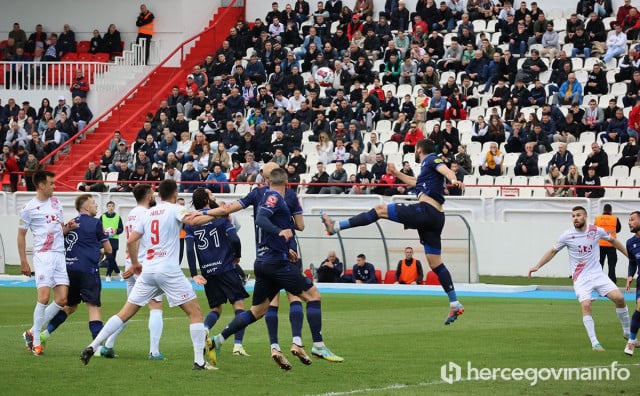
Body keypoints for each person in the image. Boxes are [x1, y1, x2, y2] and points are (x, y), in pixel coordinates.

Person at [200, 167, 343, 370]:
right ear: (286, 183)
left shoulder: (262, 195)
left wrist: (202, 213)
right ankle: (317, 345)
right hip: (277, 263)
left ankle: (218, 340)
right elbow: (263, 219)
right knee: (313, 296)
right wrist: (281, 232)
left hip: (264, 262)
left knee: (257, 310)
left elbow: (233, 211)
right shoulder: (275, 197)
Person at [321, 139, 465, 324]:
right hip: (436, 217)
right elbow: (416, 182)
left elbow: (445, 169)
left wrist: (453, 178)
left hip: (426, 211)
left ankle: (336, 226)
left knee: (380, 210)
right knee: (435, 262)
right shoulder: (426, 173)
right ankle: (454, 302)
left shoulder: (430, 159)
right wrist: (396, 173)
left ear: (418, 149)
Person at [80, 180, 217, 370]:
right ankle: (199, 362)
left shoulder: (148, 213)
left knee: (125, 313)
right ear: (175, 193)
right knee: (195, 312)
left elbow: (130, 240)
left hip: (148, 270)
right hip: (168, 270)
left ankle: (93, 345)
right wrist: (218, 213)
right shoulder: (175, 209)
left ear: (158, 194)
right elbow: (193, 221)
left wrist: (135, 263)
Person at [528, 206, 630, 351]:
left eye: (578, 215)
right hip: (581, 278)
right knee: (586, 305)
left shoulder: (596, 230)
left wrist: (630, 257)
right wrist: (537, 266)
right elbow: (552, 251)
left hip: (598, 275)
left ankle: (627, 332)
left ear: (585, 216)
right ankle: (595, 343)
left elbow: (614, 242)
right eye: (573, 216)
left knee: (619, 299)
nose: (575, 218)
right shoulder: (567, 235)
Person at [99, 184, 165, 360]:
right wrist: (136, 263)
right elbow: (135, 240)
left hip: (132, 265)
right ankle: (154, 351)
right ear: (148, 196)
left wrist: (130, 263)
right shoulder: (147, 214)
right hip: (142, 266)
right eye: (152, 193)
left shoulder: (132, 214)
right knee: (155, 305)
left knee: (129, 309)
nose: (154, 195)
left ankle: (108, 345)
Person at [19, 170, 78, 355]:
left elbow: (59, 229)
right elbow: (21, 235)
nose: (54, 186)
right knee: (44, 297)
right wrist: (23, 261)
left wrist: (67, 227)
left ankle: (31, 331)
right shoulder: (28, 208)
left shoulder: (56, 203)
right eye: (51, 183)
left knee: (62, 299)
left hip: (59, 255)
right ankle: (36, 342)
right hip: (43, 255)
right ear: (41, 185)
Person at [186, 188, 250, 357]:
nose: (214, 196)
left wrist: (194, 272)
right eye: (211, 194)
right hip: (226, 268)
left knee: (216, 309)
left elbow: (190, 250)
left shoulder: (191, 221)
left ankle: (205, 330)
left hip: (208, 271)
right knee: (239, 305)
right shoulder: (221, 217)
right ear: (207, 199)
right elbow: (235, 238)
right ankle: (237, 345)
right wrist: (237, 256)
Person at [39, 195, 112, 343]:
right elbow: (109, 249)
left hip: (69, 269)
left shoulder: (70, 224)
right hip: (88, 270)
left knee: (70, 306)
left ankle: (44, 334)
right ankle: (97, 347)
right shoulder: (96, 223)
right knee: (94, 307)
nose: (96, 205)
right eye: (93, 203)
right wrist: (100, 252)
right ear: (85, 207)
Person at [624, 211, 640, 355]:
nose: (629, 222)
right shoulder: (630, 243)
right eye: (629, 220)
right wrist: (630, 275)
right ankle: (631, 342)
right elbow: (632, 262)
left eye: (632, 220)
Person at [595, 204, 622, 285]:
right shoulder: (615, 218)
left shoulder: (597, 218)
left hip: (600, 245)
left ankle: (598, 283)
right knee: (612, 266)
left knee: (599, 266)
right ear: (611, 211)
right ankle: (612, 284)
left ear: (603, 210)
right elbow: (618, 229)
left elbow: (594, 230)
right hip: (611, 245)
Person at [101, 201, 124, 282]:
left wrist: (116, 231)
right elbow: (99, 228)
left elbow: (121, 229)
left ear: (114, 207)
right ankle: (118, 272)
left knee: (112, 258)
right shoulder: (102, 216)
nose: (111, 207)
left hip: (114, 240)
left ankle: (108, 275)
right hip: (105, 240)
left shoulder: (118, 217)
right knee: (109, 257)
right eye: (109, 206)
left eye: (112, 206)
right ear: (107, 207)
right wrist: (103, 232)